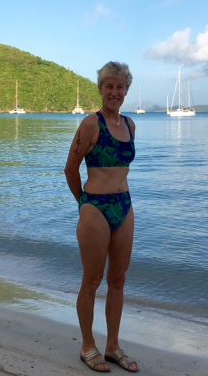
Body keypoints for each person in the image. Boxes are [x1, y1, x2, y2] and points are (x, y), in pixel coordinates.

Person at [64, 61, 139, 373]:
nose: (115, 91)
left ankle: (112, 346)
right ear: (101, 89)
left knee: (118, 280)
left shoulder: (131, 125)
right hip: (95, 206)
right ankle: (87, 345)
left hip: (124, 205)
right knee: (92, 280)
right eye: (109, 86)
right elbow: (71, 169)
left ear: (126, 91)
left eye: (120, 86)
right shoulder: (90, 124)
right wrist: (84, 203)